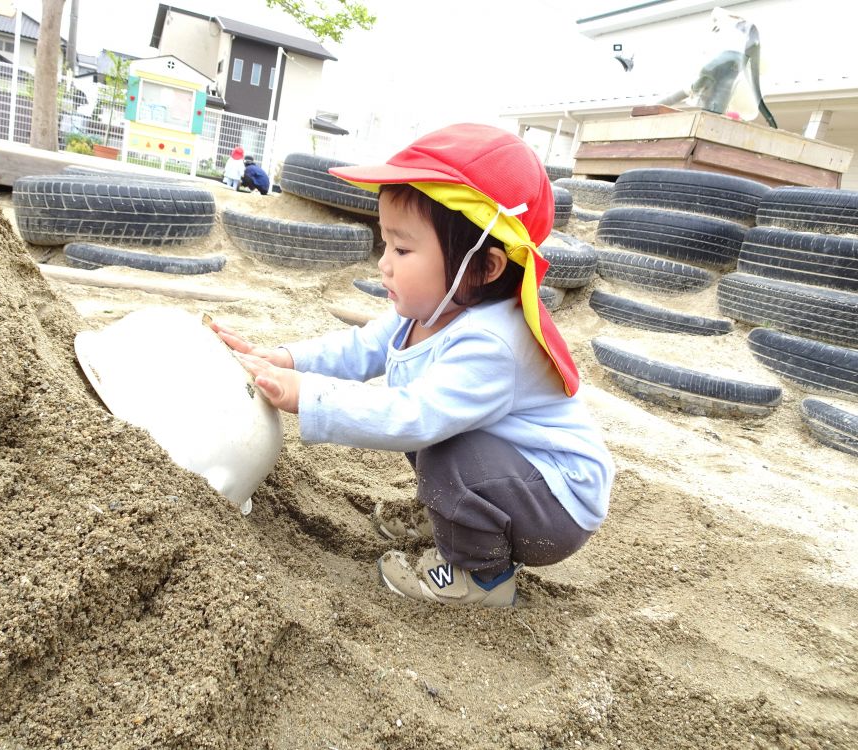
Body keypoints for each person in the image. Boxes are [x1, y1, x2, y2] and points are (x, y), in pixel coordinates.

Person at [212, 123, 614, 608]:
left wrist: (308, 394)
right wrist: (283, 359)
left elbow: (412, 416)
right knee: (445, 446)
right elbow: (361, 348)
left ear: (485, 267)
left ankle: (482, 577)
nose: (384, 263)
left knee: (441, 448)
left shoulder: (493, 341)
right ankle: (461, 516)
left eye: (402, 249)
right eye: (386, 243)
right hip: (512, 473)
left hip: (557, 502)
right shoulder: (431, 310)